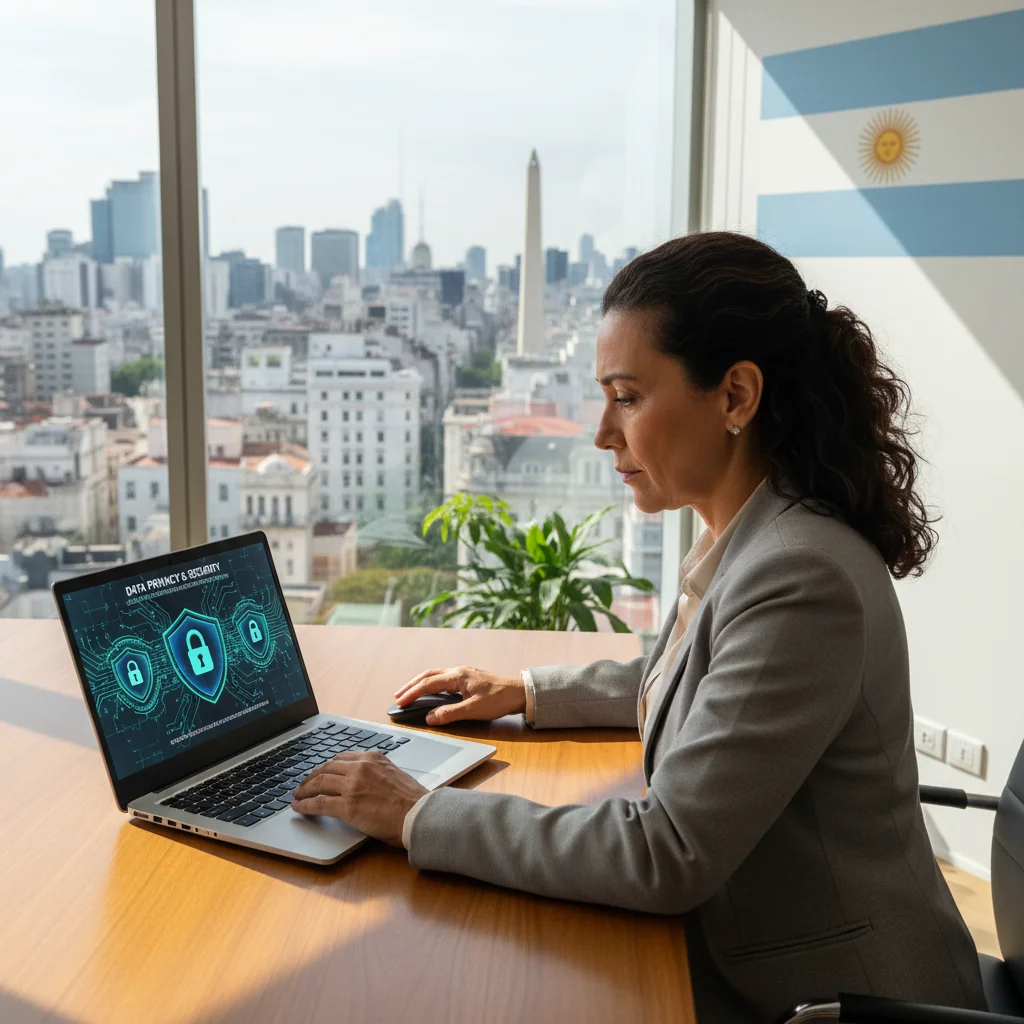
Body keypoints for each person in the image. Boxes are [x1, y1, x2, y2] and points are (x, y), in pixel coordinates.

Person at [292, 232, 987, 1022]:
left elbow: (667, 853)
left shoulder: (801, 575)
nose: (602, 432)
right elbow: (700, 676)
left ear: (735, 397)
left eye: (627, 396)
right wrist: (523, 690)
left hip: (840, 998)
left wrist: (418, 814)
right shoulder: (757, 529)